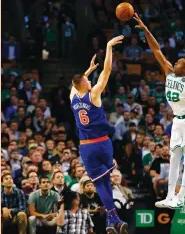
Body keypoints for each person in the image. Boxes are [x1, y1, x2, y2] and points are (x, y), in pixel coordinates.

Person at [133, 13, 185, 209]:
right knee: (174, 157)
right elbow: (156, 50)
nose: (175, 63)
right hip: (178, 120)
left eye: (180, 63)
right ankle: (171, 196)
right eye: (176, 62)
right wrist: (145, 29)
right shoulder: (169, 72)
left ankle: (182, 196)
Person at [70, 35, 128, 234]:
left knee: (100, 183)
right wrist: (109, 47)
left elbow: (75, 84)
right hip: (102, 143)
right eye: (87, 79)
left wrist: (87, 71)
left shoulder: (72, 97)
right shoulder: (93, 94)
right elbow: (108, 70)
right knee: (106, 181)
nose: (89, 80)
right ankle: (114, 219)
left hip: (86, 146)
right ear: (85, 84)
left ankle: (114, 220)